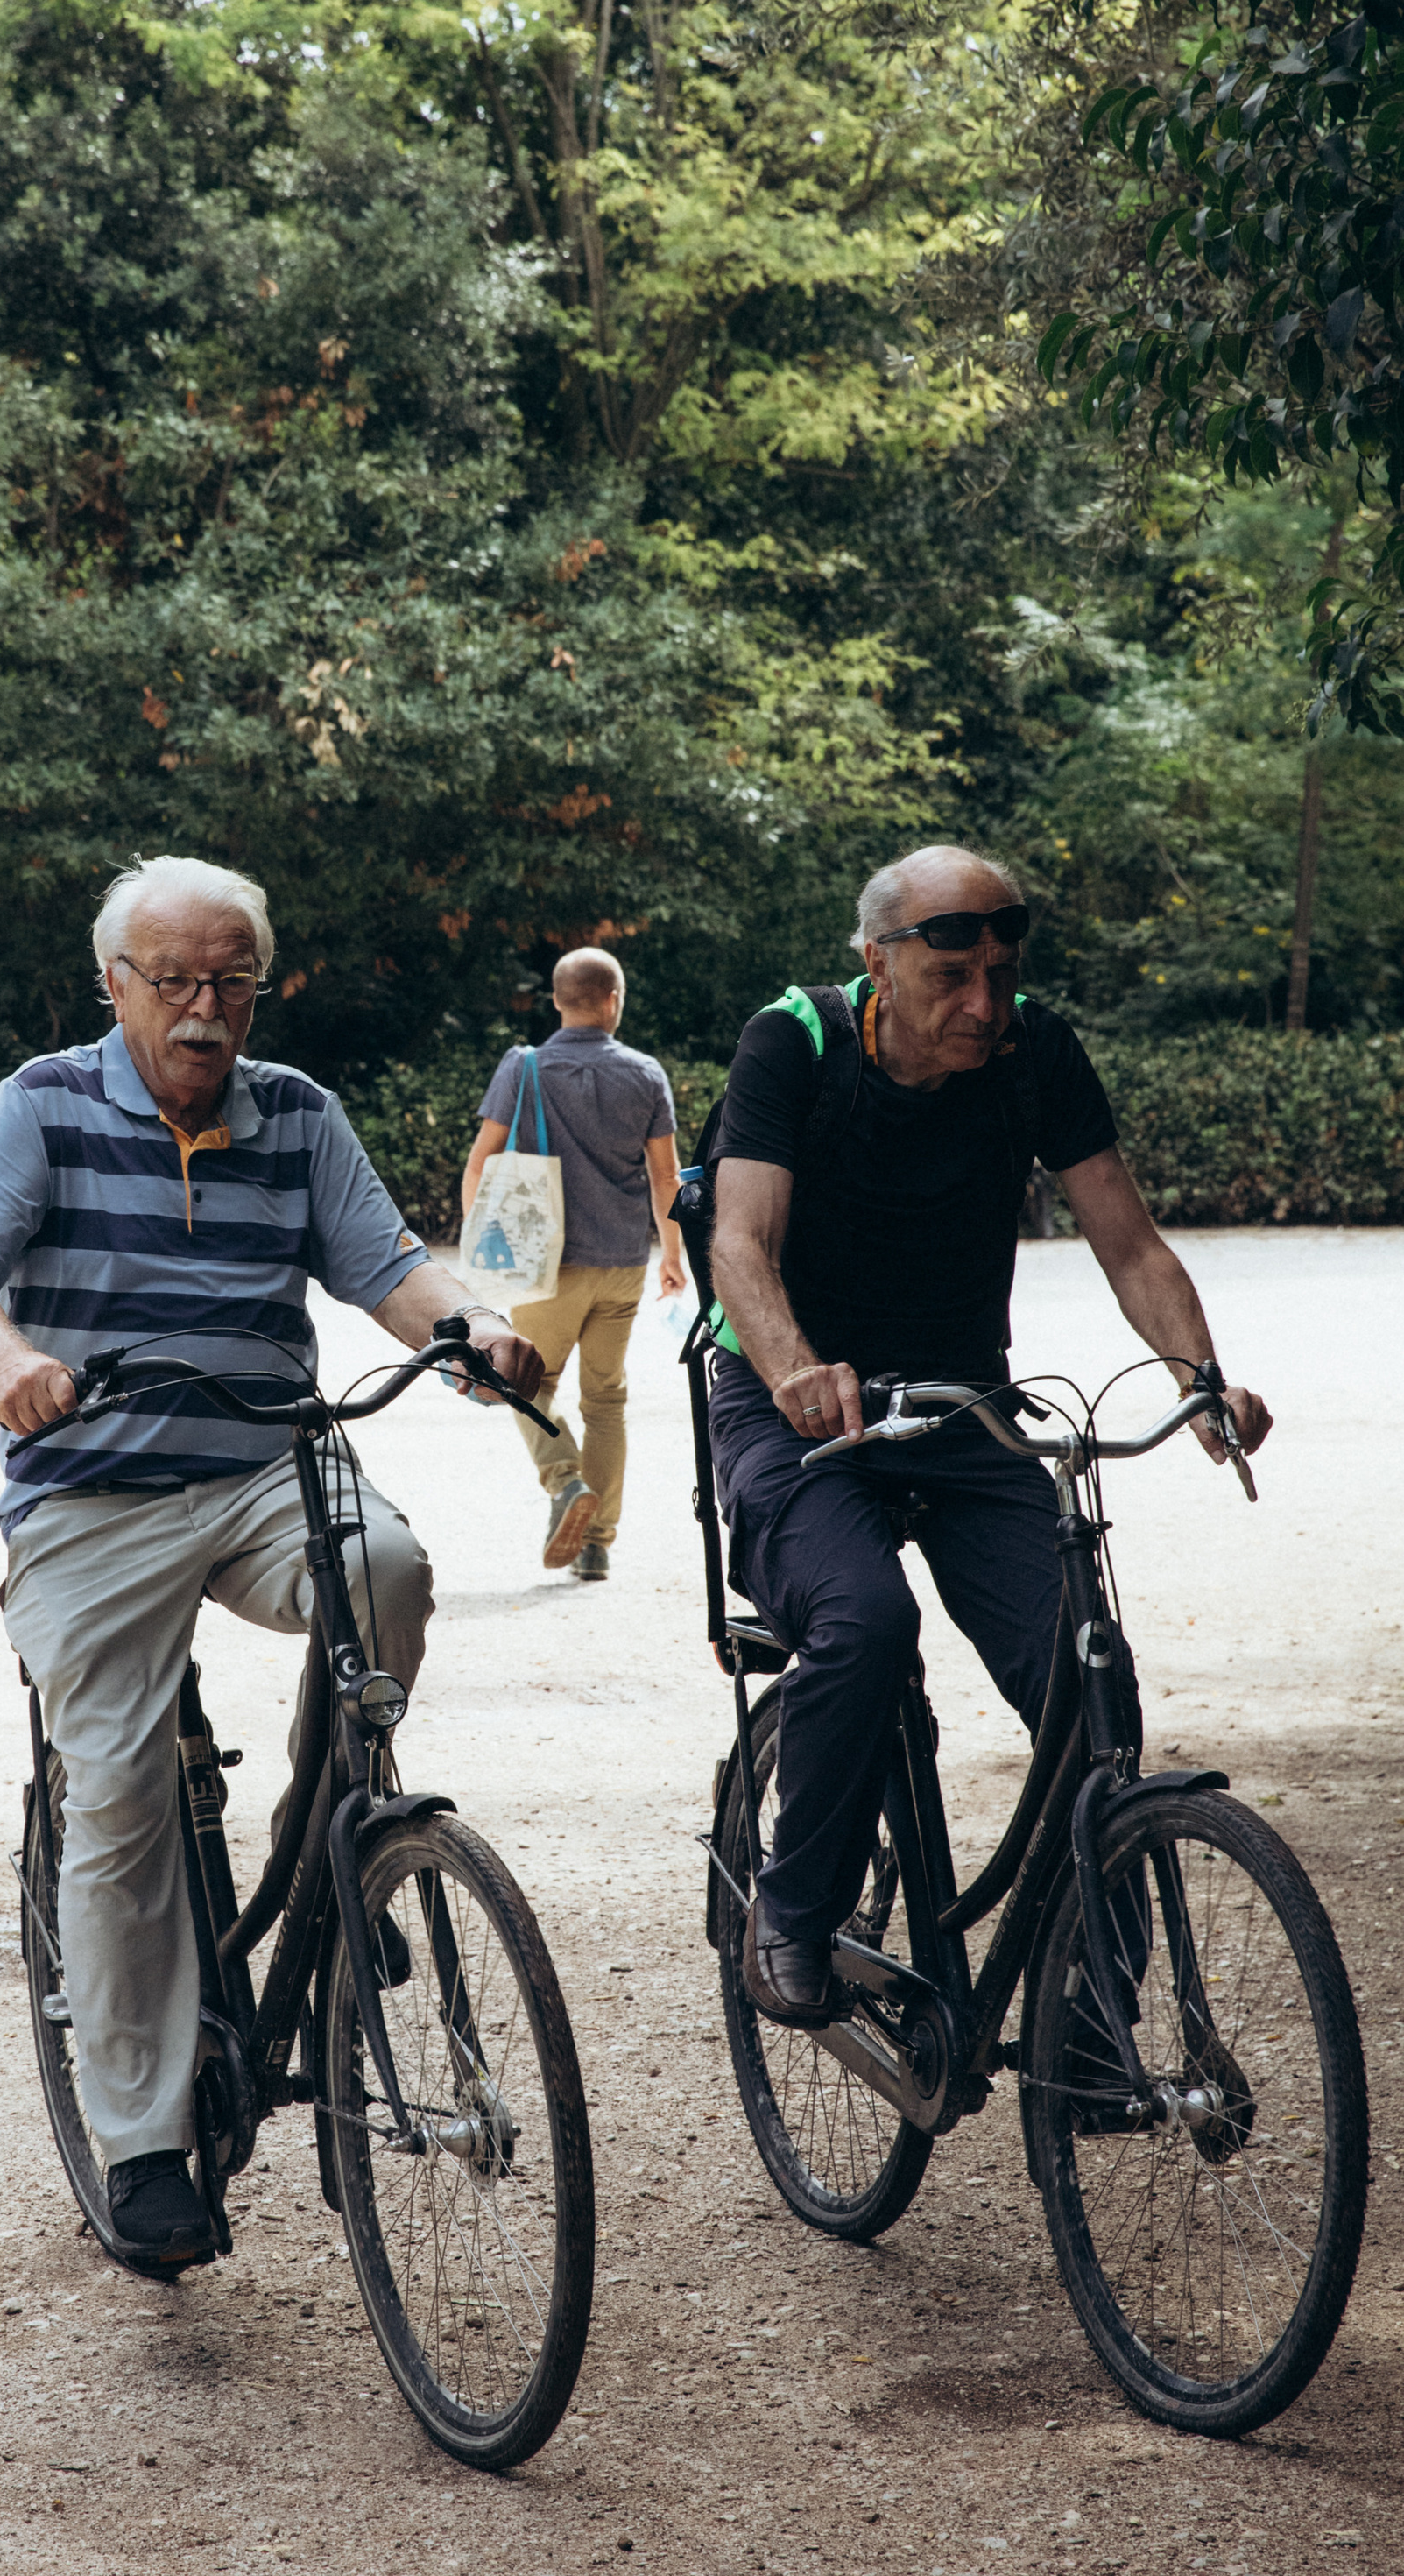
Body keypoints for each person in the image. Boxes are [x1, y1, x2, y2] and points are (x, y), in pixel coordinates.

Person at [0, 852, 545, 2273]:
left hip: (267, 1460)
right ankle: (142, 2144)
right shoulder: (45, 1104)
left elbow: (392, 1267)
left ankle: (326, 1861)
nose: (206, 1010)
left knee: (385, 1569)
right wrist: (11, 1362)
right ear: (116, 986)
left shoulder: (298, 1116)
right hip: (92, 1487)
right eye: (176, 982)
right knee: (125, 1791)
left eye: (232, 983)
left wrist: (473, 1328)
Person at [706, 843, 1272, 2026]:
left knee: (1085, 1670)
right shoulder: (792, 1043)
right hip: (794, 1401)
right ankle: (792, 1910)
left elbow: (1127, 1239)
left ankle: (1093, 2022)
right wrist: (796, 1365)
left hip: (965, 1406)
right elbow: (741, 1243)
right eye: (951, 977)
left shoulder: (1036, 1052)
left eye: (1001, 976)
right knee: (863, 1620)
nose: (983, 1005)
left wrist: (1204, 1382)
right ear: (879, 963)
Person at [460, 949, 686, 1583]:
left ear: (556, 1000)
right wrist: (672, 1255)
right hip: (620, 1264)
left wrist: (484, 1241)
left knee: (523, 1383)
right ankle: (598, 1543)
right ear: (613, 1000)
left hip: (543, 1265)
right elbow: (665, 1177)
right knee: (607, 1401)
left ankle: (565, 1485)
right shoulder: (645, 1074)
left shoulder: (524, 1065)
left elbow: (482, 1159)